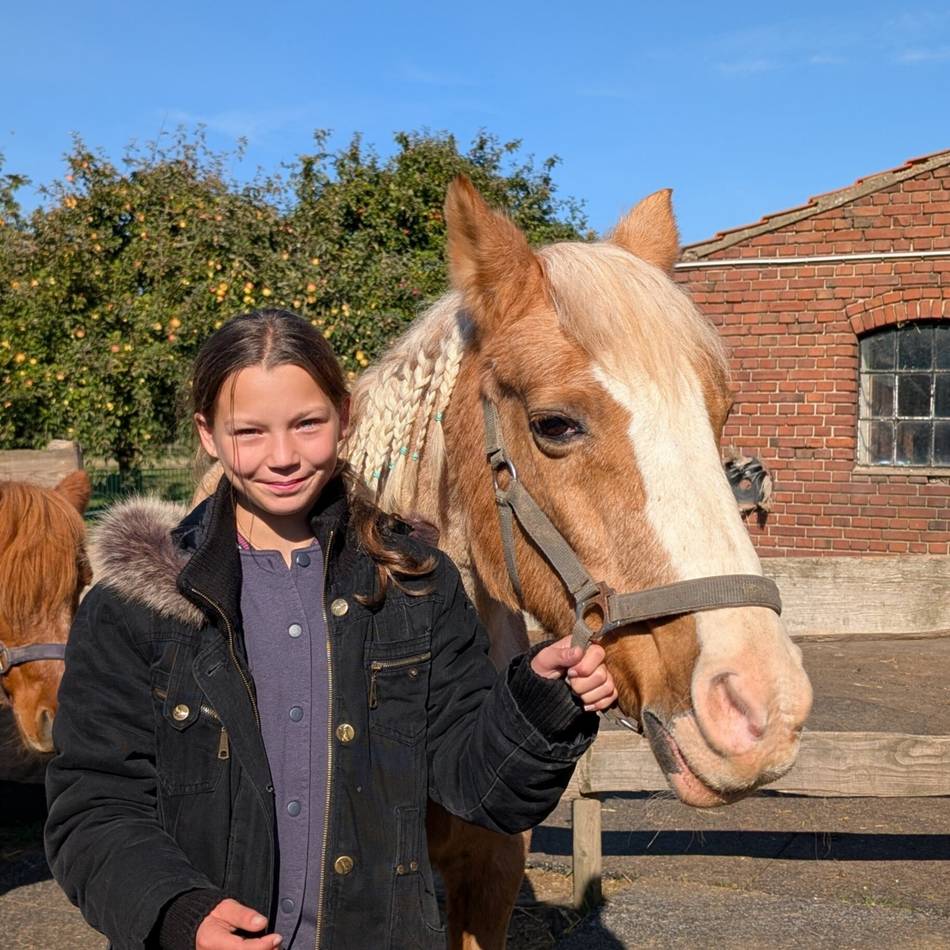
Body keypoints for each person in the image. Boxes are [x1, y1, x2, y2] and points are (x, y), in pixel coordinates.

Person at [45, 309, 617, 950]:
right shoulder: (135, 604)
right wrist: (179, 911)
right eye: (249, 432)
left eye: (307, 424)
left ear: (344, 418)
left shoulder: (415, 586)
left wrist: (539, 705)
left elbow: (477, 789)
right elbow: (94, 807)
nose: (283, 457)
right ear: (208, 434)